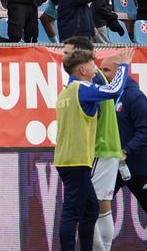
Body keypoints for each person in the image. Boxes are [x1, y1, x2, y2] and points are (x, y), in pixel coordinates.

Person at [54, 45, 133, 251]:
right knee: (71, 213)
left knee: (90, 210)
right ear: (82, 70)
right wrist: (124, 66)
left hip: (66, 159)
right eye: (91, 64)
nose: (95, 68)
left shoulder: (65, 93)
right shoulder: (82, 89)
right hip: (77, 160)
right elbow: (114, 90)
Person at [100, 54, 147, 213]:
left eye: (106, 70)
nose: (102, 74)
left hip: (139, 167)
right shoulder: (106, 96)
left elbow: (145, 130)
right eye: (100, 70)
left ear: (120, 72)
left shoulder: (135, 96)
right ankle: (95, 231)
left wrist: (126, 150)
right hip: (112, 165)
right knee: (96, 207)